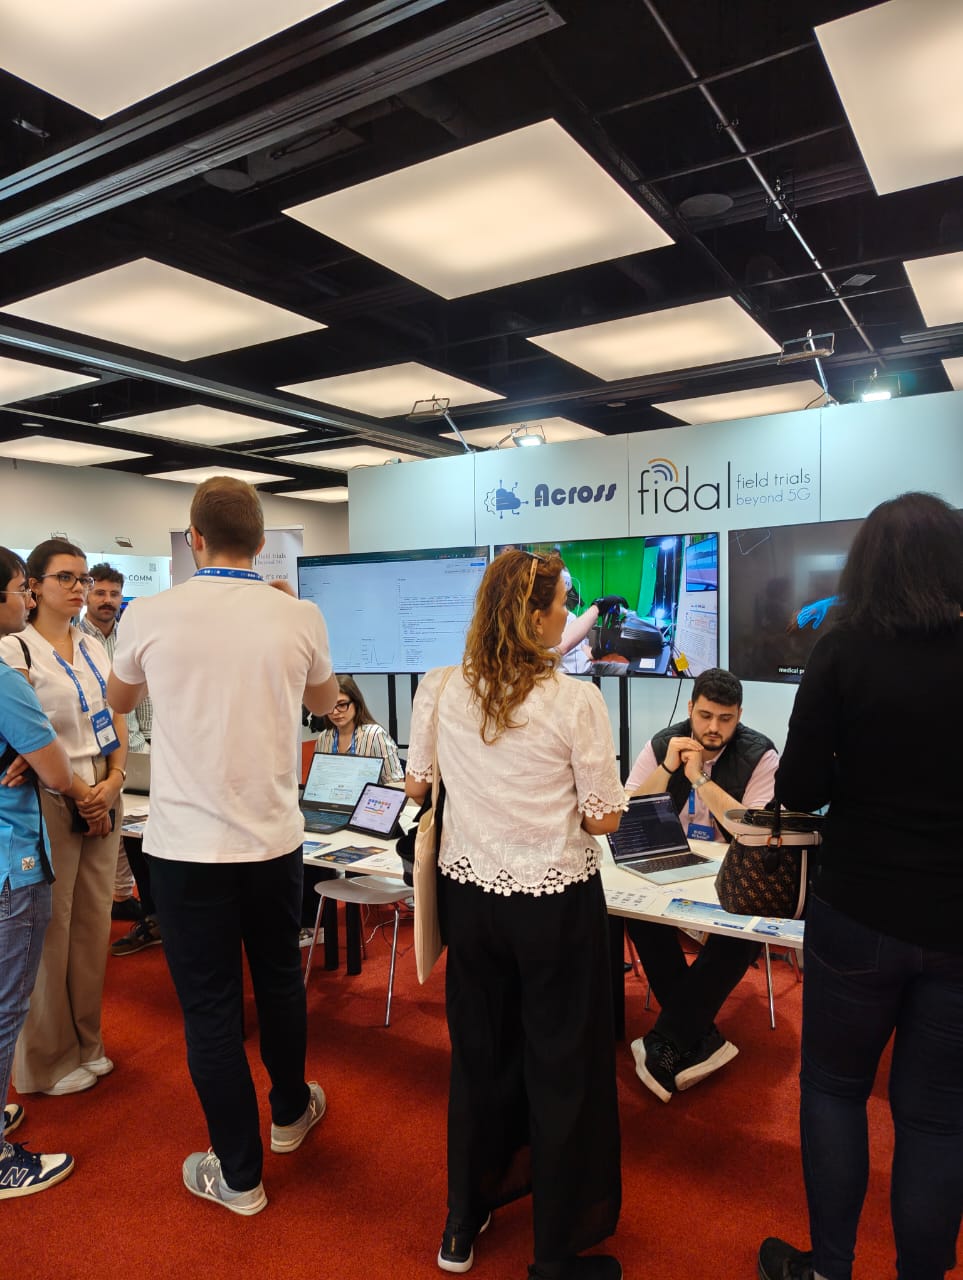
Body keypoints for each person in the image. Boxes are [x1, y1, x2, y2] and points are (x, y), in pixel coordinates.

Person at [109, 476, 340, 1217]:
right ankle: (289, 1113)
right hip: (272, 843)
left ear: (194, 538)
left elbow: (118, 700)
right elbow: (325, 704)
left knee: (210, 1009)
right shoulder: (298, 615)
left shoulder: (149, 613)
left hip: (184, 850)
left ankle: (239, 1176)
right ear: (262, 541)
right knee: (279, 983)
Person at [758, 492, 963, 1280]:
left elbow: (799, 790)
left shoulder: (842, 649)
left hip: (859, 910)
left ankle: (828, 1269)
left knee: (835, 1091)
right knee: (937, 1120)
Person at [406, 549, 626, 1280]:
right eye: (562, 604)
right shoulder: (575, 702)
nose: (568, 614)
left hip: (470, 901)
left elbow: (416, 787)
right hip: (555, 905)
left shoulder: (440, 687)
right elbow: (603, 819)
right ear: (533, 617)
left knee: (479, 1056)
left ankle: (462, 1220)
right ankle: (554, 1251)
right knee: (561, 1066)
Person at [0, 539, 128, 1097]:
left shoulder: (94, 645)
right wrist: (79, 791)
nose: (79, 588)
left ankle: (86, 1041)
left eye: (84, 578)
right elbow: (27, 738)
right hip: (52, 792)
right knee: (50, 931)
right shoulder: (14, 649)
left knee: (93, 924)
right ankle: (47, 1061)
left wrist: (115, 779)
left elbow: (117, 714)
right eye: (66, 578)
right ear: (34, 586)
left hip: (102, 782)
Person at [623, 667, 778, 1102]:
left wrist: (699, 779)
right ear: (690, 708)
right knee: (640, 916)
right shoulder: (663, 743)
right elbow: (627, 814)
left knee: (744, 930)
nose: (713, 727)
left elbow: (754, 832)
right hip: (671, 867)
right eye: (705, 715)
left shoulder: (761, 754)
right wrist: (668, 768)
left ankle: (668, 1040)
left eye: (725, 719)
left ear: (739, 715)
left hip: (733, 872)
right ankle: (699, 1035)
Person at [0, 547, 76, 1197]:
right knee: (6, 1008)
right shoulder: (6, 679)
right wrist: (38, 751)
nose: (26, 600)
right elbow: (57, 771)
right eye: (21, 588)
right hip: (12, 863)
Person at [79, 562, 152, 922]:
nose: (107, 600)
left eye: (114, 594)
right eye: (100, 592)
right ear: (87, 595)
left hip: (134, 744)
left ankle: (124, 895)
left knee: (136, 828)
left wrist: (150, 740)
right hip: (92, 750)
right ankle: (115, 895)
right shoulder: (74, 639)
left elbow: (145, 692)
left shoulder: (130, 636)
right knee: (107, 827)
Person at [312, 674, 403, 784]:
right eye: (330, 706)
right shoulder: (323, 738)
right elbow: (318, 781)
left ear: (356, 703)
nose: (335, 712)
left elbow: (396, 784)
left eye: (342, 705)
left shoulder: (375, 735)